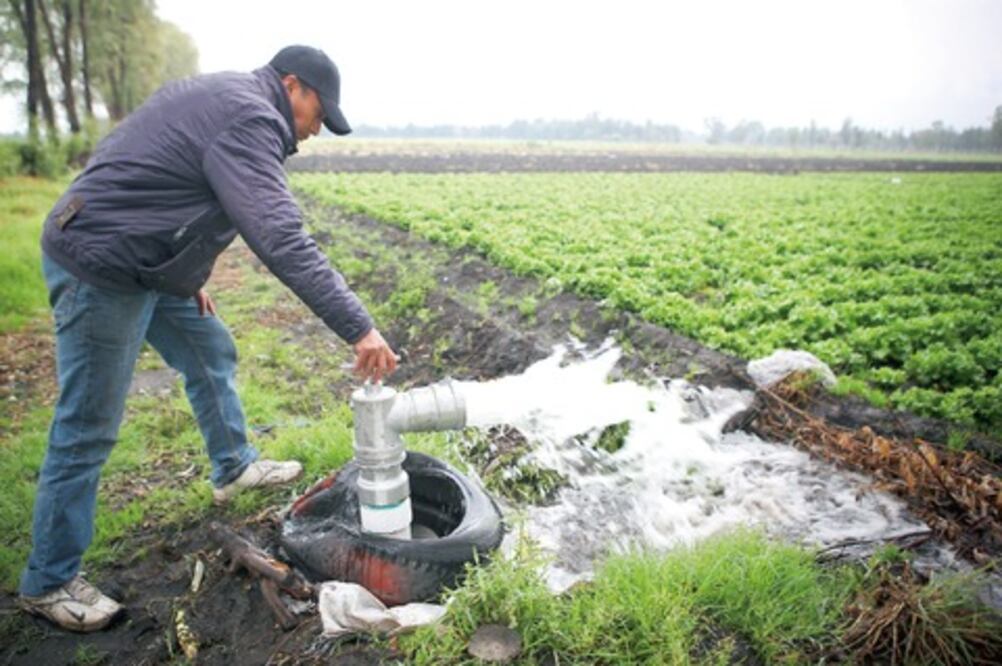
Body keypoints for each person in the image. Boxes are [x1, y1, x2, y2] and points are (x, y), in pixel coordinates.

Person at [18, 45, 397, 632]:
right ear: (291, 85)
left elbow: (163, 176)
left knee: (209, 347)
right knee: (87, 425)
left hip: (146, 262)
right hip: (104, 265)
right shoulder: (252, 118)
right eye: (318, 114)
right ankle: (47, 581)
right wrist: (359, 327)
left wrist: (183, 274)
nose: (316, 130)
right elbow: (279, 235)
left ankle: (233, 465)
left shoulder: (223, 94)